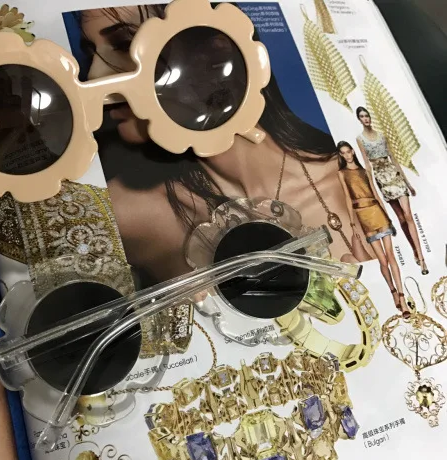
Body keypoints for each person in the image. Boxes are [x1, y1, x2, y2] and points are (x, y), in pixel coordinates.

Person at [76, 6, 374, 284]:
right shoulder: (127, 212)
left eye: (126, 45)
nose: (93, 77)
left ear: (215, 52)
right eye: (91, 54)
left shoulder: (351, 182)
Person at [337, 141, 409, 316]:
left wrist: (388, 216)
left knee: (391, 256)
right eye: (343, 153)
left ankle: (402, 297)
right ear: (341, 155)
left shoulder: (364, 171)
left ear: (353, 151)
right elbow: (347, 198)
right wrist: (352, 222)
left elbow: (376, 194)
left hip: (377, 211)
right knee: (383, 260)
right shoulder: (342, 173)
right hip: (363, 216)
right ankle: (392, 291)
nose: (347, 155)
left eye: (348, 151)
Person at [356, 106, 428, 275]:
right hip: (381, 179)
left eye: (367, 115)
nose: (366, 119)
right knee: (401, 219)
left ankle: (422, 258)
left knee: (408, 216)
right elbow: (367, 165)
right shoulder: (360, 139)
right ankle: (414, 250)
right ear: (359, 119)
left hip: (394, 175)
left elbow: (393, 159)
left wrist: (408, 183)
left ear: (370, 117)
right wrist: (372, 188)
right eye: (362, 116)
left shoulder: (382, 135)